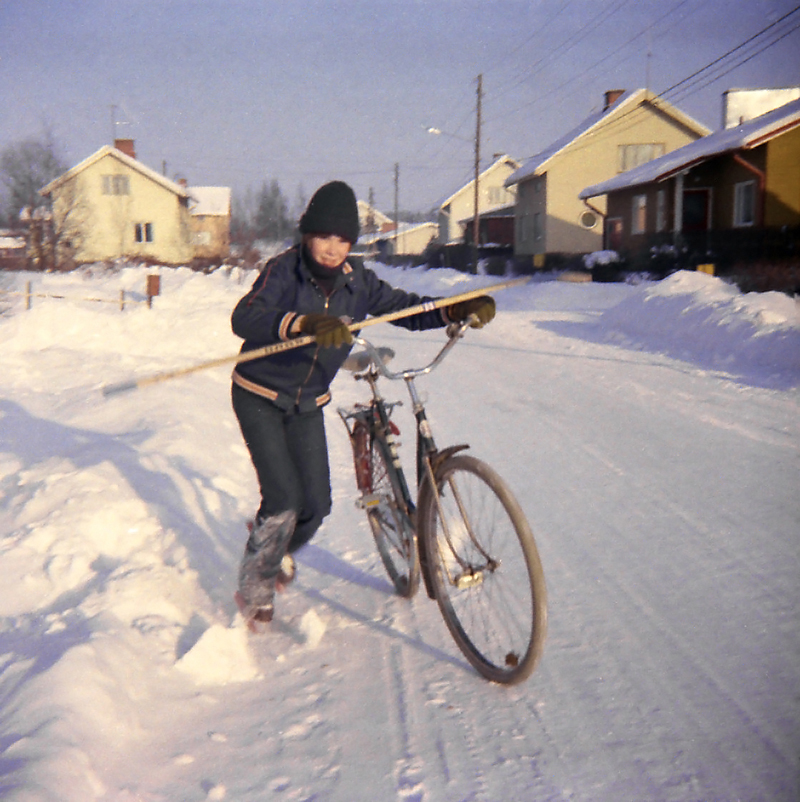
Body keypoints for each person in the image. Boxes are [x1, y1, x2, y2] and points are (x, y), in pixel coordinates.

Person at [230, 180, 495, 622]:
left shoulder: (359, 284)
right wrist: (303, 323)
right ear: (306, 234)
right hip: (259, 394)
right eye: (323, 236)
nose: (333, 249)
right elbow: (246, 316)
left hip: (309, 401)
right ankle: (256, 584)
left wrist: (455, 308)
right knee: (283, 499)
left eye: (343, 239)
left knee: (315, 506)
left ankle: (271, 549)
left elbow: (407, 308)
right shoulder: (283, 271)